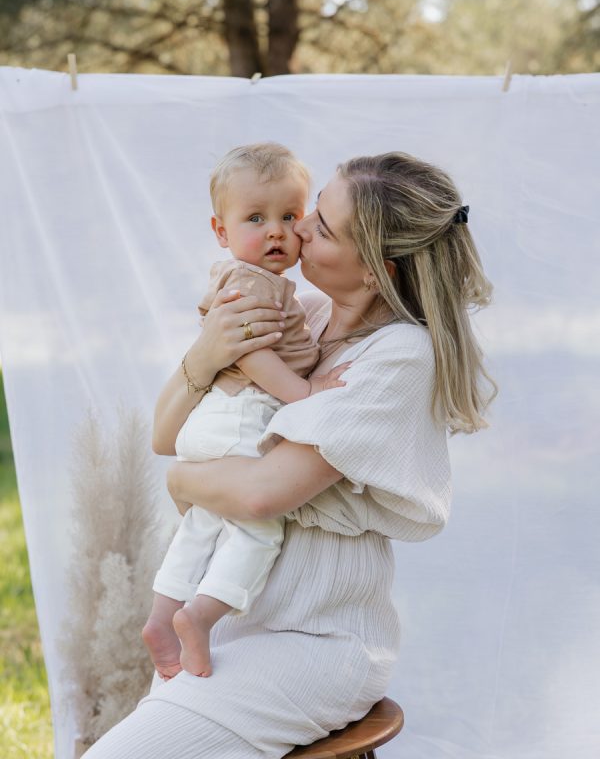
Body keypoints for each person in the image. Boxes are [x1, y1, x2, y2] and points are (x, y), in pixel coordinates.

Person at [84, 150, 496, 759]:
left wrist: (185, 484)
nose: (295, 229)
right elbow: (166, 438)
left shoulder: (399, 355)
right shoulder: (304, 315)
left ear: (377, 269)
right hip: (223, 619)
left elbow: (260, 492)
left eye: (320, 226)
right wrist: (204, 357)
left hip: (313, 639)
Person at [142, 143, 350, 680]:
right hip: (241, 415)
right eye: (255, 218)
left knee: (202, 529)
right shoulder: (249, 282)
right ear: (221, 231)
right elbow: (251, 351)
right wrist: (302, 394)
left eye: (289, 215)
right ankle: (201, 618)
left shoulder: (271, 286)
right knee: (258, 531)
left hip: (214, 419)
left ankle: (162, 619)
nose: (276, 231)